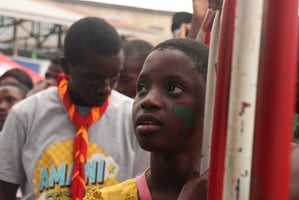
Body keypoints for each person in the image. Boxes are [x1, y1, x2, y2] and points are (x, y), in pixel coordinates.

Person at [0, 17, 149, 200]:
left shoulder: (132, 117)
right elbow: (4, 190)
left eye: (113, 76)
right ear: (66, 66)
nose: (105, 87)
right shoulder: (27, 114)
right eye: (93, 78)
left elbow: (143, 191)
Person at [85, 38, 209, 200]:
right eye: (142, 88)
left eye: (173, 88)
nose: (148, 100)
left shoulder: (235, 192)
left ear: (210, 102)